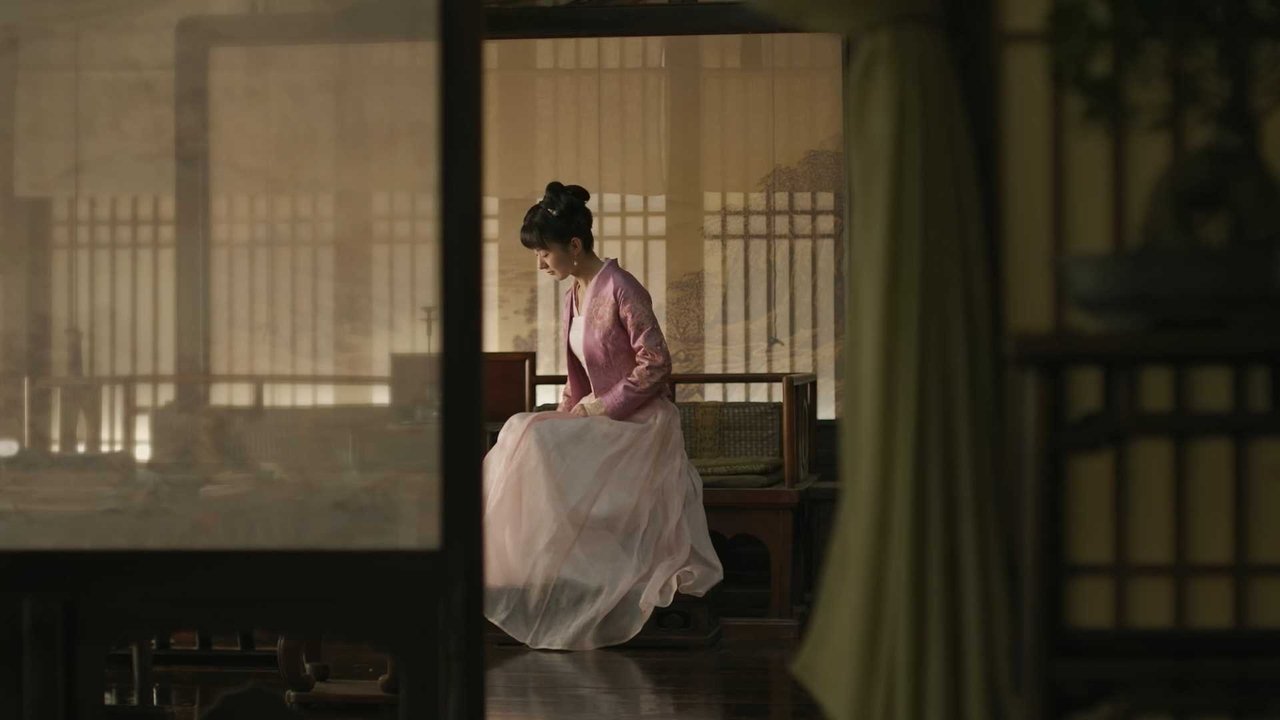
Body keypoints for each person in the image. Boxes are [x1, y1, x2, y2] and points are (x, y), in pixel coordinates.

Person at [483, 181, 723, 650]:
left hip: (639, 421)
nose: (540, 263)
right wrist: (566, 415)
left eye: (545, 253)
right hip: (597, 417)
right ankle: (529, 568)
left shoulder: (622, 288)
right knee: (521, 430)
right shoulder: (574, 293)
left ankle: (571, 568)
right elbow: (576, 378)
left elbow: (656, 363)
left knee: (530, 435)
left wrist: (602, 405)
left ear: (574, 246)